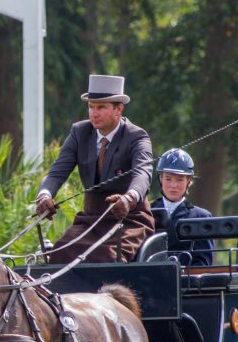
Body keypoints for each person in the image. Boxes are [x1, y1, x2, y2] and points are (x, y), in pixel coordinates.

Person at [35, 74, 155, 262]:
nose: (94, 113)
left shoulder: (137, 137)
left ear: (118, 109)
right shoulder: (79, 132)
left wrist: (129, 198)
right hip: (90, 219)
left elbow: (143, 173)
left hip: (129, 219)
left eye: (101, 107)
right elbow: (57, 172)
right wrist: (44, 195)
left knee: (106, 258)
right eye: (91, 107)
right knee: (59, 254)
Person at [150, 148, 214, 266]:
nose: (173, 185)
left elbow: (203, 261)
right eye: (168, 179)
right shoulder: (147, 212)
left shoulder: (201, 216)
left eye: (180, 179)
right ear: (160, 179)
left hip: (186, 281)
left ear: (188, 181)